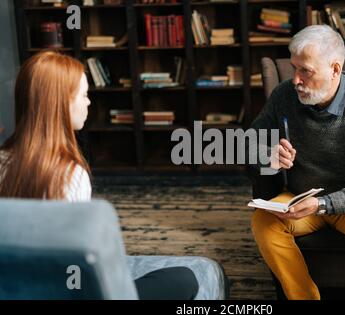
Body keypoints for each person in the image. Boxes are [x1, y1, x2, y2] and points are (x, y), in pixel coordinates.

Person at [0, 51, 199, 300]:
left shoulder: (2, 160)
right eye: (83, 95)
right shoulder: (70, 175)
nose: (89, 103)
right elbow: (75, 267)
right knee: (184, 279)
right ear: (61, 103)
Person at [250, 25, 345, 300]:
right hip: (300, 199)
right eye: (294, 68)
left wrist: (323, 204)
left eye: (305, 70)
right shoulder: (285, 95)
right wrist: (267, 154)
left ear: (334, 69)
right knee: (263, 222)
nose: (295, 79)